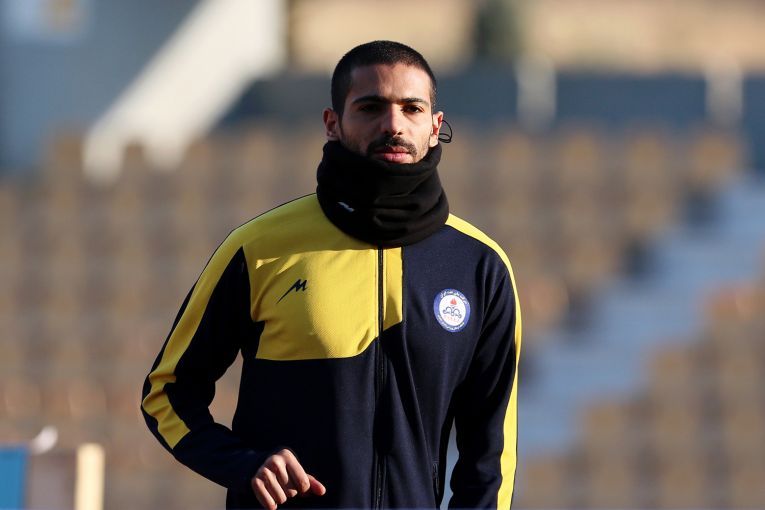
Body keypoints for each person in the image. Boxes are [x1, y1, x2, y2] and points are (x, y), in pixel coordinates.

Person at [141, 40, 522, 509]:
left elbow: (490, 453)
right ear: (332, 123)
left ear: (434, 126)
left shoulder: (480, 266)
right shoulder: (258, 249)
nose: (393, 125)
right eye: (371, 107)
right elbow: (167, 393)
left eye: (412, 108)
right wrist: (241, 463)